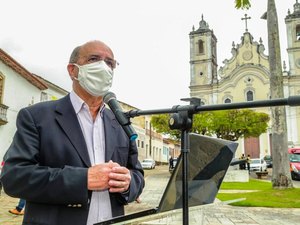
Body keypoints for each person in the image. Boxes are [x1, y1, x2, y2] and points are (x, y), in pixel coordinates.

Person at [0, 40, 144, 225]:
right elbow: (14, 178)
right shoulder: (37, 117)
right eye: (94, 59)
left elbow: (137, 174)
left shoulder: (120, 122)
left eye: (110, 63)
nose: (103, 67)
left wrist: (128, 183)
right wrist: (83, 179)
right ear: (72, 70)